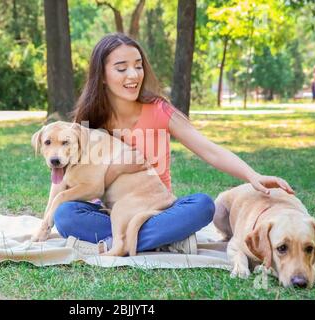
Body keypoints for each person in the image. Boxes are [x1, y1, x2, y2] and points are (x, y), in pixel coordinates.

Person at [52, 33, 294, 255]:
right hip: (108, 212)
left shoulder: (159, 110)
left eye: (138, 66)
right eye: (121, 68)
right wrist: (117, 169)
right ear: (102, 76)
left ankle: (117, 242)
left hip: (156, 209)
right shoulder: (88, 120)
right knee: (65, 215)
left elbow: (209, 150)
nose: (134, 75)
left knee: (202, 206)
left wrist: (253, 175)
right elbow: (66, 178)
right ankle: (155, 240)